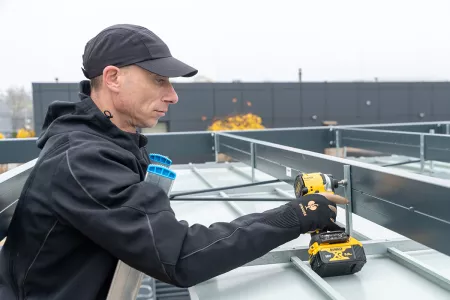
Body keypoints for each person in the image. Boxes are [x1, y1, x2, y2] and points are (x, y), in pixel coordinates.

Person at [0, 24, 348, 300]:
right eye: (159, 80)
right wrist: (294, 215)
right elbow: (180, 257)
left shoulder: (109, 141)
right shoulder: (83, 159)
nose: (172, 94)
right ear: (112, 78)